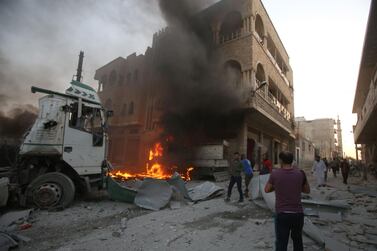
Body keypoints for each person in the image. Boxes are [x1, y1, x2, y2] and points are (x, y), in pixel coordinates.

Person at [264, 151, 310, 251]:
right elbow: (307, 191)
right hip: (298, 214)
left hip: (282, 214)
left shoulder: (275, 174)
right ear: (292, 161)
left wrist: (277, 186)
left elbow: (266, 190)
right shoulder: (300, 173)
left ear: (281, 161)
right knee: (298, 241)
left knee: (281, 242)